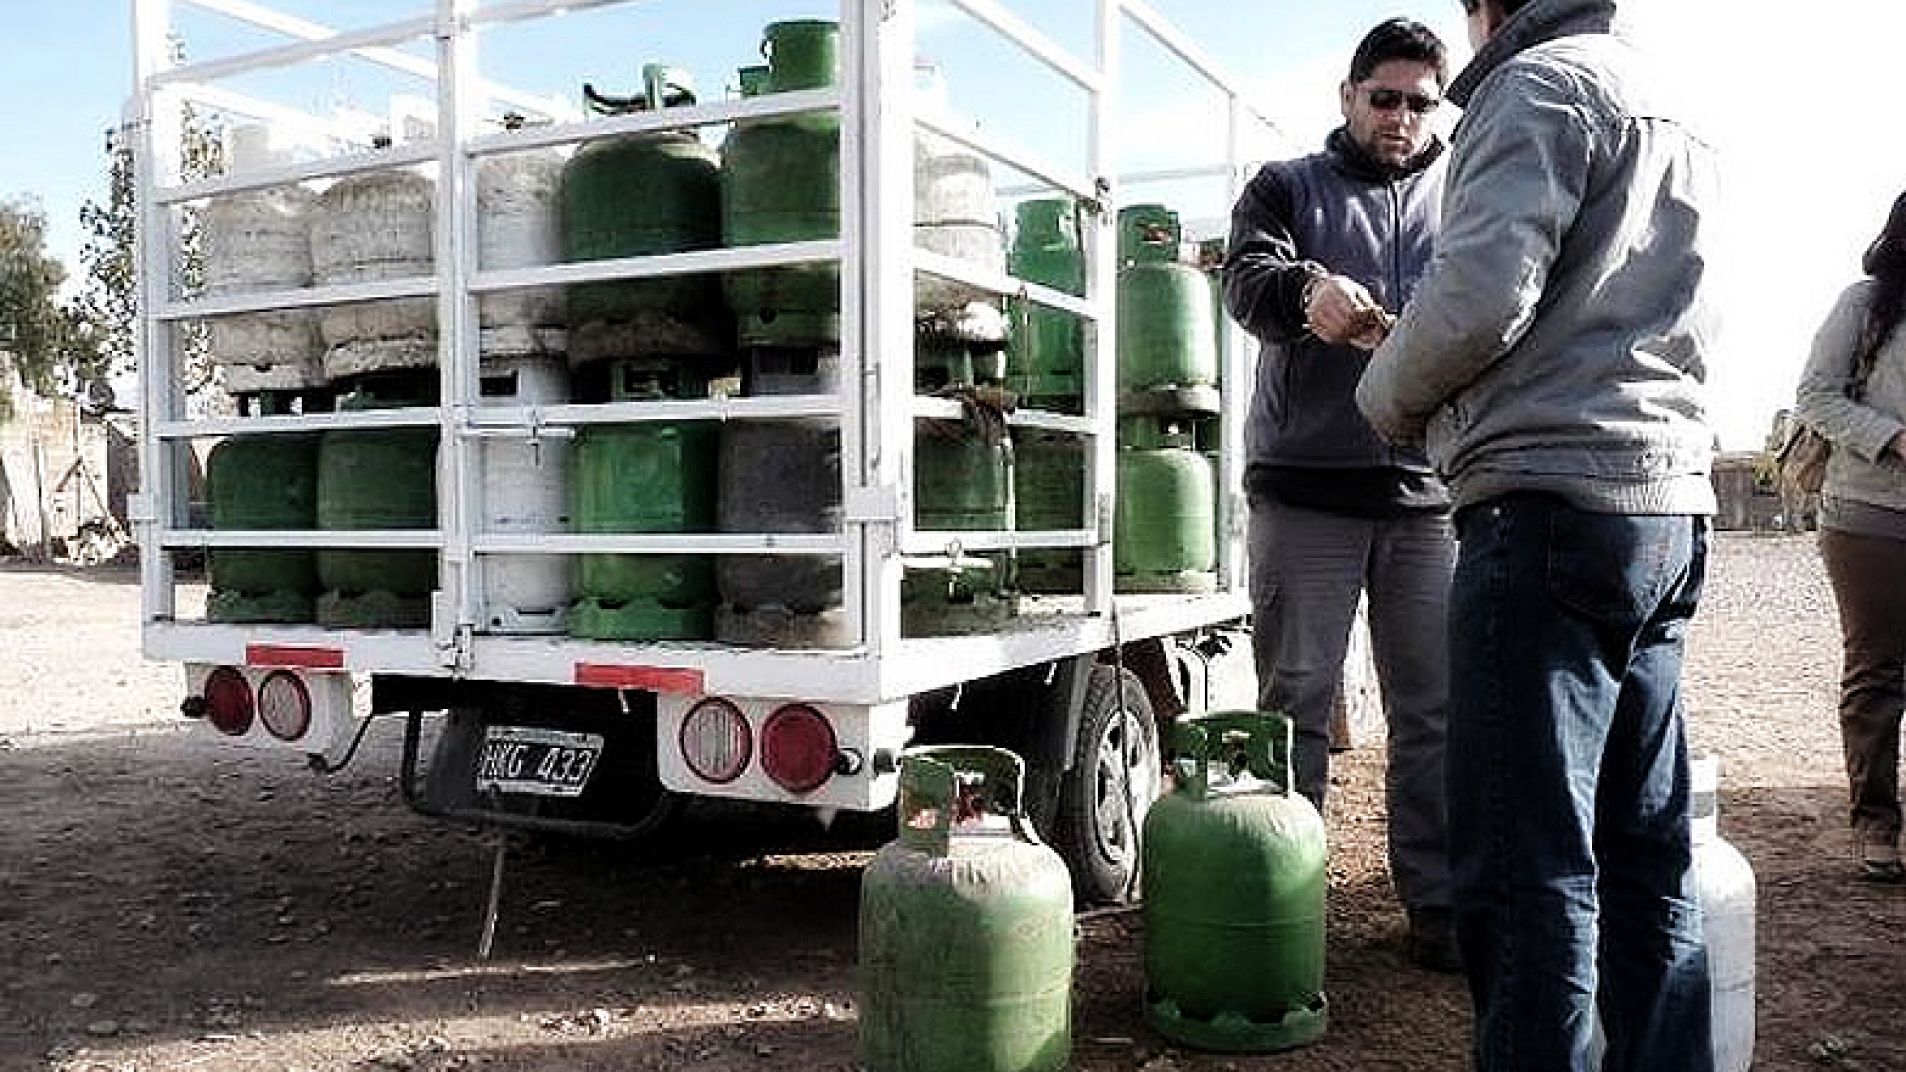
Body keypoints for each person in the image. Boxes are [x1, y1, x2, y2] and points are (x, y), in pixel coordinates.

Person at [1354, 0, 1720, 1068]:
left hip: (1547, 507)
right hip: (1661, 506)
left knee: (1527, 869)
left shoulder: (1537, 85)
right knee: (1645, 853)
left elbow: (1478, 298)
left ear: (1486, 8)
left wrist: (1385, 391)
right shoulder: (1678, 106)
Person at [1222, 17, 1457, 972]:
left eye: (1418, 102)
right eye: (1383, 97)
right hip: (1304, 493)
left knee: (1435, 714)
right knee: (1296, 705)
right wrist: (1306, 292)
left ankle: (1438, 910)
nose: (1400, 118)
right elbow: (1246, 280)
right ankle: (1284, 910)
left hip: (1428, 497)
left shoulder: (1469, 188)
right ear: (1348, 97)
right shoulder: (1285, 187)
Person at [1795, 189, 1906, 885]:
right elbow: (1815, 395)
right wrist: (1895, 439)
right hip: (1869, 515)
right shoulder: (1864, 305)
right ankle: (1876, 823)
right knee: (1878, 671)